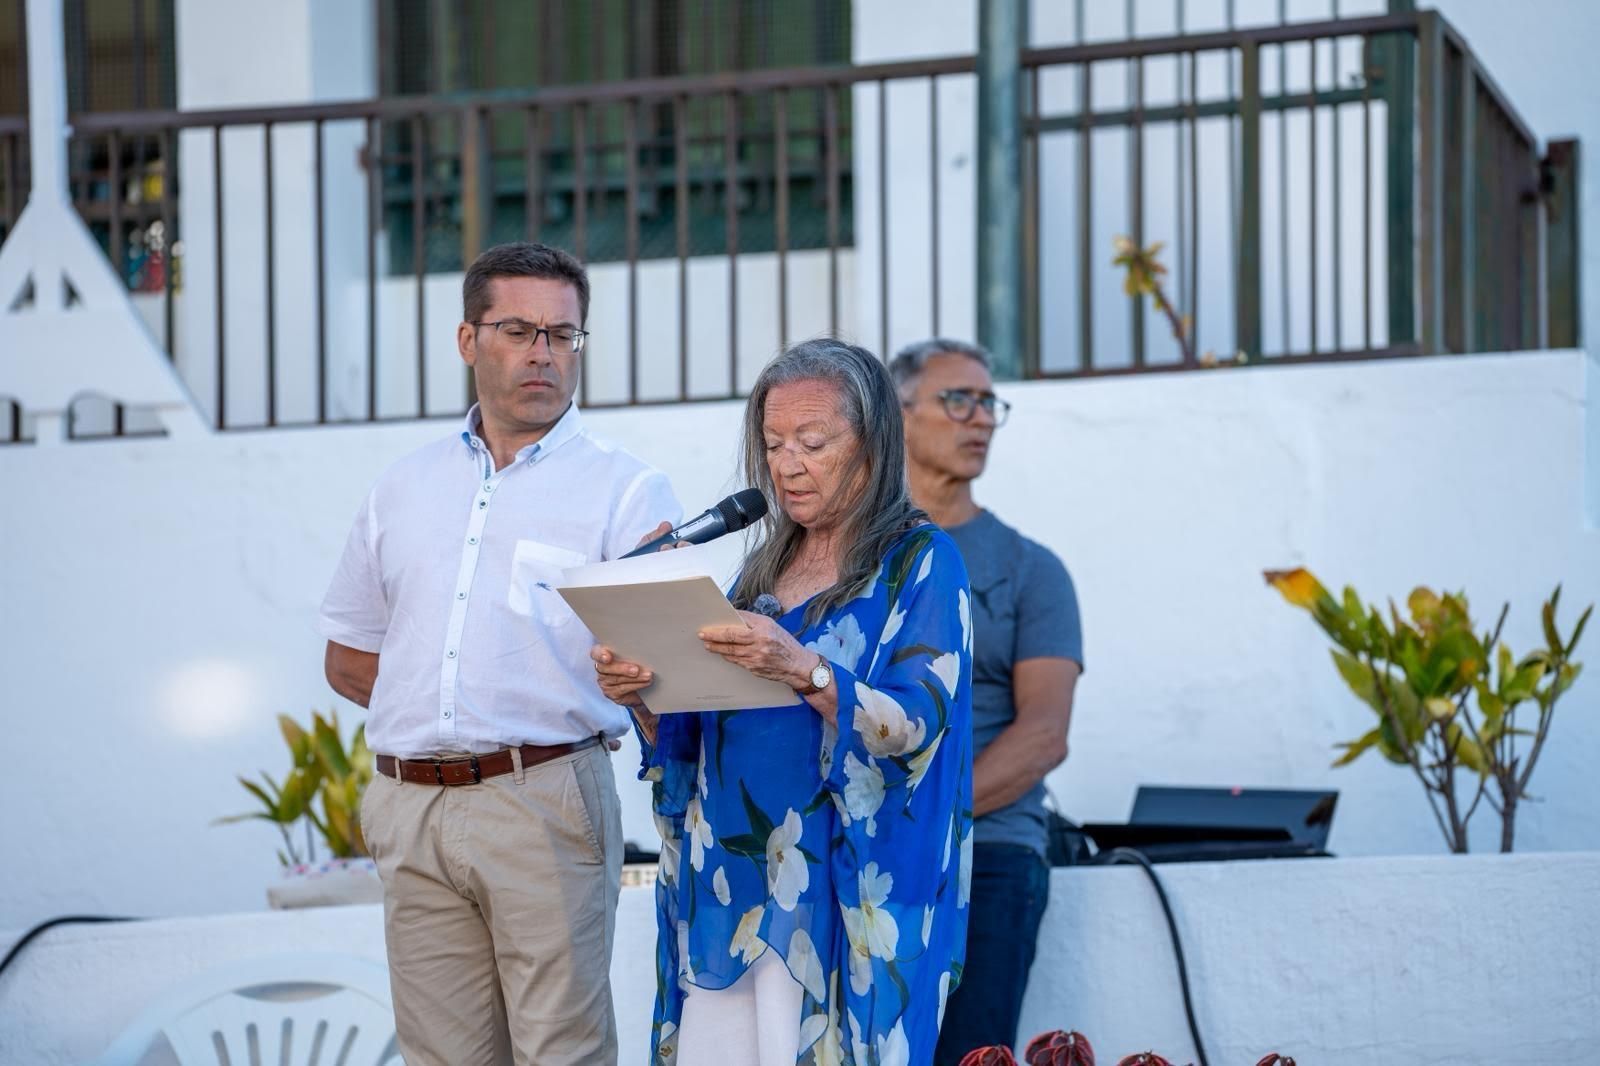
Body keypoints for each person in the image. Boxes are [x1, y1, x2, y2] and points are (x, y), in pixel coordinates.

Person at [318, 242, 681, 1066]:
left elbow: (666, 667)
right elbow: (348, 658)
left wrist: (523, 706)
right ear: (467, 340)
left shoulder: (627, 491)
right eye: (519, 330)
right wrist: (450, 705)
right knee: (440, 1055)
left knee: (561, 1050)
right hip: (410, 806)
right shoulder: (401, 487)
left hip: (543, 793)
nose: (543, 353)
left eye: (563, 335)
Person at [593, 338, 975, 1066]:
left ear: (872, 444)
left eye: (812, 441)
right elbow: (701, 729)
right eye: (772, 443)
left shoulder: (920, 564)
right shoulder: (760, 571)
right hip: (730, 894)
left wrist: (809, 672)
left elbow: (918, 726)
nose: (786, 464)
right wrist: (644, 695)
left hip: (839, 897)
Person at [889, 339, 1084, 1066]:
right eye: (957, 400)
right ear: (899, 416)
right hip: (862, 852)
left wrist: (924, 815)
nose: (980, 420)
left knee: (972, 1056)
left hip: (991, 852)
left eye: (989, 403)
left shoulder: (1031, 569)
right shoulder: (852, 556)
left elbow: (1044, 735)